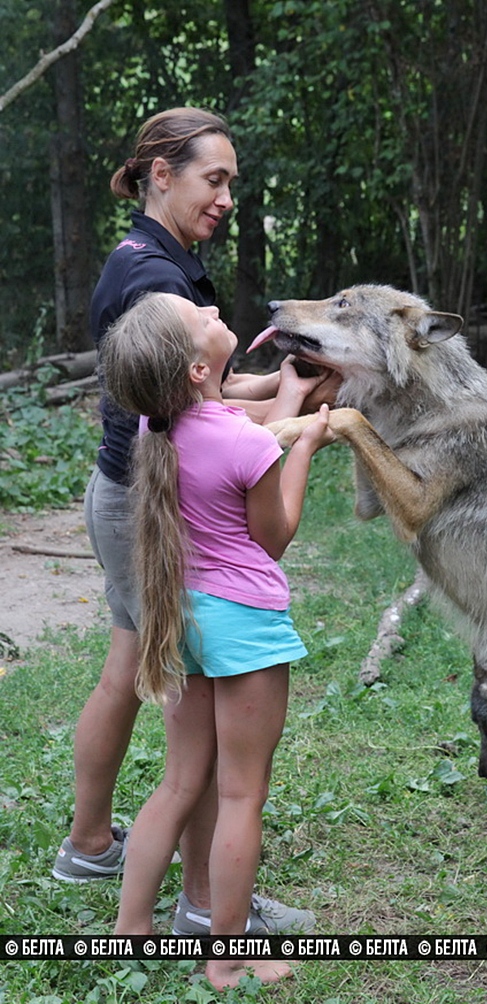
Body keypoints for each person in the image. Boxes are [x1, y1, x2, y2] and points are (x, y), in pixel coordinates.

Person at [52, 107, 330, 936]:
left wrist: (281, 392)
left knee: (132, 665)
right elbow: (206, 410)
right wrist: (293, 414)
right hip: (153, 509)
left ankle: (92, 843)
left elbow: (198, 398)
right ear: (159, 174)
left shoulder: (149, 257)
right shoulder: (158, 284)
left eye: (232, 183)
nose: (226, 197)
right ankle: (206, 904)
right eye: (215, 179)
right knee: (195, 723)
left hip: (131, 491)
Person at [102, 291, 334, 988]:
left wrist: (287, 400)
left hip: (182, 620)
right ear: (198, 371)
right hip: (242, 627)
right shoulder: (246, 443)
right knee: (240, 795)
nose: (211, 310)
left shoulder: (153, 425)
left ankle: (131, 928)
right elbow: (276, 535)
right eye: (199, 318)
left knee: (178, 782)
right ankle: (227, 951)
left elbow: (232, 418)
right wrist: (306, 447)